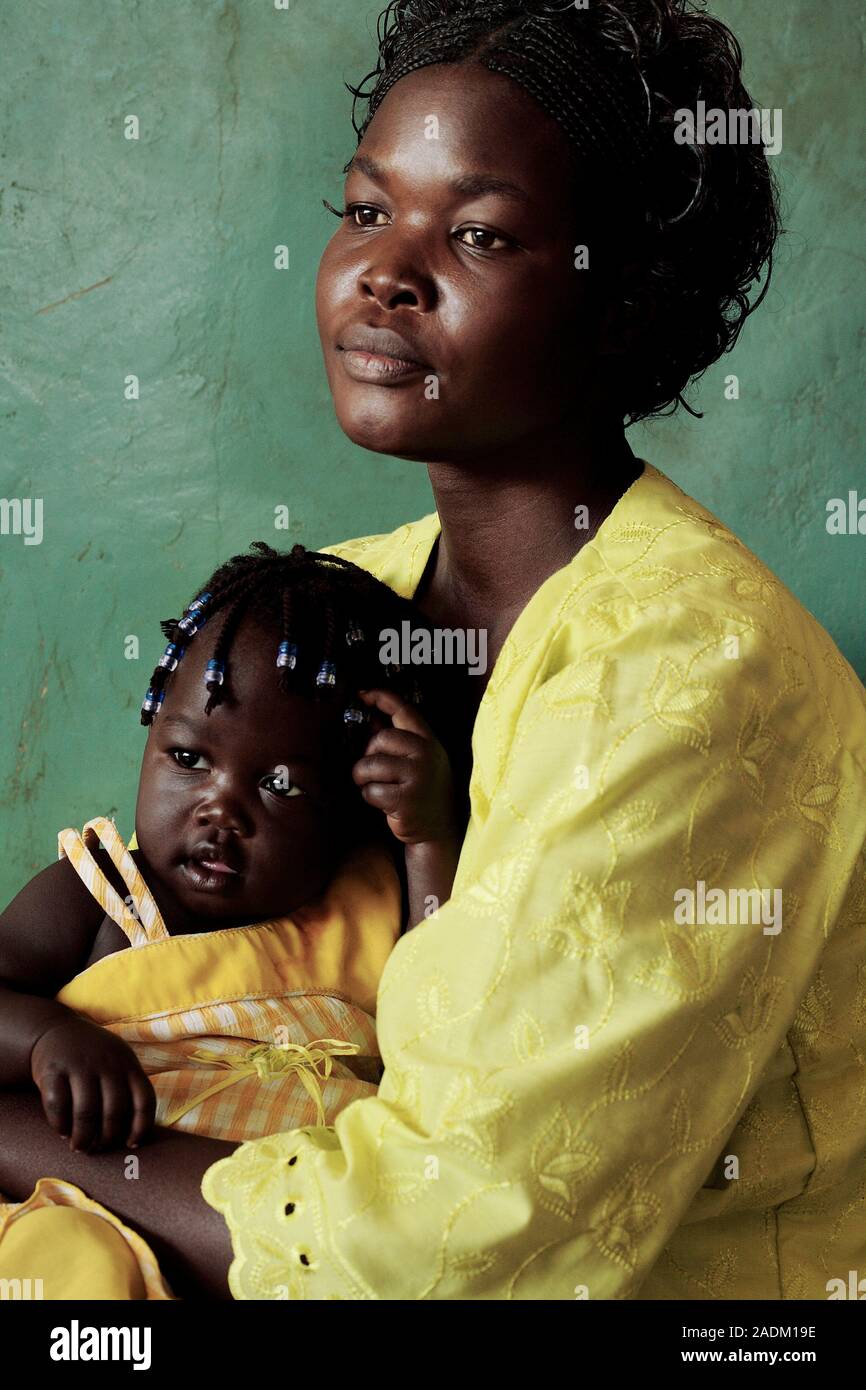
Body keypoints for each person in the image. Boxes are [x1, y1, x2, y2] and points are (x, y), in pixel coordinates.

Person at [0, 0, 863, 1301]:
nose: (384, 270)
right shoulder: (356, 598)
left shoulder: (691, 678)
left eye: (476, 234)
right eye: (364, 210)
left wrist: (25, 1144)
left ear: (617, 302)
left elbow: (440, 1244)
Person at [0, 542, 469, 1296]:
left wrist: (428, 836)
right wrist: (44, 1040)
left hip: (281, 1253)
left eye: (280, 785)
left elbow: (445, 1004)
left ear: (351, 802)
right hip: (80, 1210)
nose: (222, 808)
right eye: (188, 758)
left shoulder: (366, 909)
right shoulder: (103, 893)